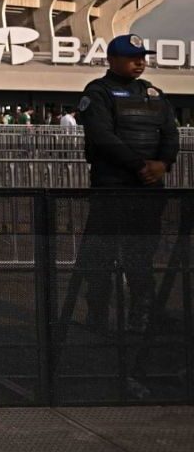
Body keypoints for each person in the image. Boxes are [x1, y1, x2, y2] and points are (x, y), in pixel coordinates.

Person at [75, 34, 179, 333]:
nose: (140, 62)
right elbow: (102, 136)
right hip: (113, 185)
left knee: (141, 253)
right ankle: (98, 316)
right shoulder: (98, 92)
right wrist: (140, 165)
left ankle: (143, 315)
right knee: (102, 254)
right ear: (112, 59)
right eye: (132, 57)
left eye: (142, 57)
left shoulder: (153, 93)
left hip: (148, 189)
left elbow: (170, 133)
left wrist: (162, 164)